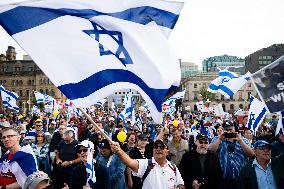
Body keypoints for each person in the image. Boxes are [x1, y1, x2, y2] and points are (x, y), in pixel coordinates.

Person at [111, 139, 185, 189]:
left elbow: (181, 184)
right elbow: (130, 162)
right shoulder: (146, 164)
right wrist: (119, 150)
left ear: (167, 152)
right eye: (156, 147)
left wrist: (178, 188)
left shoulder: (173, 166)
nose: (158, 149)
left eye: (162, 147)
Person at [209, 120, 254, 189]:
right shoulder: (217, 139)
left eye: (230, 129)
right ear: (223, 130)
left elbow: (251, 155)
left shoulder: (243, 140)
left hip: (242, 180)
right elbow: (210, 152)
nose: (229, 132)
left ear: (234, 128)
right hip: (223, 181)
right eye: (226, 130)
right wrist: (219, 139)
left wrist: (240, 141)